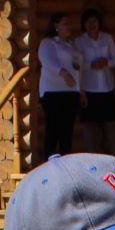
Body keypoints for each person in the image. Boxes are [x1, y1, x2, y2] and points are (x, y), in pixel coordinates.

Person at [38, 12, 83, 160]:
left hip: (71, 93)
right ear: (56, 26)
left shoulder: (73, 45)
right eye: (65, 23)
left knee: (67, 131)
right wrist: (62, 73)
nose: (69, 26)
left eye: (70, 23)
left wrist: (80, 89)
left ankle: (65, 164)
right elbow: (47, 60)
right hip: (53, 93)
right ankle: (49, 162)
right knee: (53, 128)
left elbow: (77, 68)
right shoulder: (48, 43)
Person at [75, 9, 115, 157]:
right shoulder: (80, 41)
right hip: (89, 89)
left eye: (94, 21)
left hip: (107, 88)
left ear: (99, 22)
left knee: (110, 126)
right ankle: (93, 160)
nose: (91, 25)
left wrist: (106, 62)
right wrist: (90, 65)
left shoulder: (107, 38)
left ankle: (113, 159)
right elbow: (76, 65)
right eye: (88, 22)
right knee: (90, 128)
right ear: (84, 24)